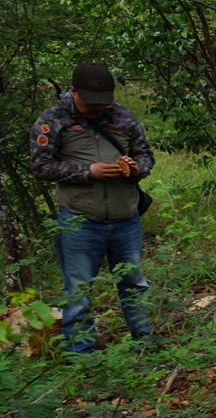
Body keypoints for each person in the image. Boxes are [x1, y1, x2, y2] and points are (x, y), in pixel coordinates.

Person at [29, 62, 155, 353]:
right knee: (79, 291)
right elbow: (40, 166)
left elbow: (145, 154)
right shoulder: (52, 120)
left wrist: (137, 168)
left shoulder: (122, 115)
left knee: (133, 283)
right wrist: (88, 172)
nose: (98, 108)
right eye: (90, 102)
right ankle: (81, 355)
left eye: (103, 102)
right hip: (79, 221)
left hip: (126, 218)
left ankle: (144, 343)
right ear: (73, 91)